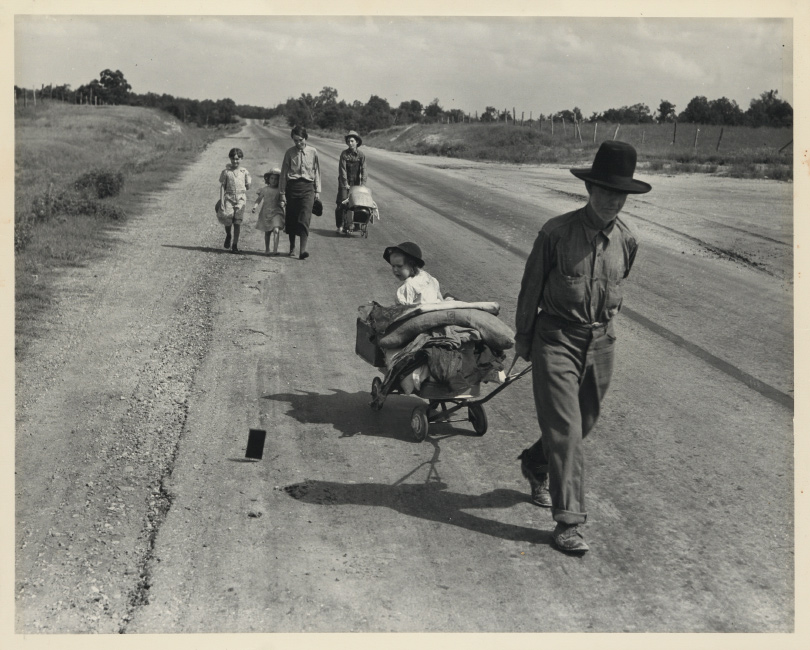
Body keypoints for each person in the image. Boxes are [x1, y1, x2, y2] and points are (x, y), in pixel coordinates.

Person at [514, 140, 651, 553]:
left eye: (620, 195)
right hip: (555, 338)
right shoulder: (555, 233)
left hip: (601, 342)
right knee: (567, 430)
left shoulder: (628, 240)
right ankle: (567, 522)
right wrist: (523, 338)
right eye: (606, 192)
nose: (612, 201)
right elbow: (530, 289)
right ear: (589, 190)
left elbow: (618, 285)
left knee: (584, 422)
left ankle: (536, 463)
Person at [279, 126, 321, 260]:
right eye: (295, 141)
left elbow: (317, 171)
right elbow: (284, 174)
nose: (298, 143)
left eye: (300, 140)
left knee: (305, 218)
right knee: (291, 218)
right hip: (292, 188)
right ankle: (292, 247)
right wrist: (282, 193)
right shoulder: (289, 153)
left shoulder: (313, 152)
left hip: (308, 188)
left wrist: (318, 190)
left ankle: (303, 251)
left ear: (305, 138)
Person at [218, 147, 251, 253]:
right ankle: (228, 234)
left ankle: (235, 245)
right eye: (233, 159)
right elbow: (223, 186)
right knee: (227, 219)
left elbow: (248, 186)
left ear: (241, 159)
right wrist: (222, 201)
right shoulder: (226, 172)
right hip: (229, 198)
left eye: (238, 159)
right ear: (230, 159)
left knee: (237, 222)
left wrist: (248, 183)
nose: (235, 161)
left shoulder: (244, 171)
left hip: (241, 199)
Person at [336, 130, 367, 234]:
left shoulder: (361, 155)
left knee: (357, 203)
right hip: (344, 182)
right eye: (348, 141)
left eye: (352, 141)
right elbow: (342, 170)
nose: (350, 143)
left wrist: (362, 184)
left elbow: (364, 170)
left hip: (356, 183)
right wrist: (345, 183)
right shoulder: (344, 154)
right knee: (342, 203)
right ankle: (340, 225)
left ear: (357, 142)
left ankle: (355, 225)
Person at [252, 168, 285, 255]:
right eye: (272, 178)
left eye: (276, 179)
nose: (274, 181)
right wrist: (255, 207)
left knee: (276, 229)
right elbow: (258, 200)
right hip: (266, 212)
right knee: (267, 232)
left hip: (277, 212)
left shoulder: (280, 191)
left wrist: (283, 203)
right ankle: (267, 249)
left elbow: (283, 200)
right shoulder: (264, 189)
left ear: (279, 180)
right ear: (268, 179)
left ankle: (275, 250)